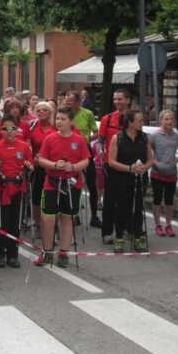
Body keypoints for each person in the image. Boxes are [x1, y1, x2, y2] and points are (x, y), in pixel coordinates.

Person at [36, 105, 90, 268]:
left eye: (63, 119)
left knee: (67, 218)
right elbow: (41, 159)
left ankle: (63, 253)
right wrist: (54, 165)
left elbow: (85, 160)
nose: (59, 121)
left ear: (71, 121)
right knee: (47, 219)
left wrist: (72, 167)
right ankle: (47, 252)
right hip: (52, 183)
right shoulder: (49, 138)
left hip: (72, 183)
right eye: (57, 118)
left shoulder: (78, 140)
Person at [0, 114, 34, 268]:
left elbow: (31, 166)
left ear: (17, 129)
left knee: (15, 222)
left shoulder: (24, 146)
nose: (9, 131)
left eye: (12, 128)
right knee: (1, 222)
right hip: (1, 189)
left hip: (18, 188)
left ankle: (13, 255)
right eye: (5, 129)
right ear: (0, 130)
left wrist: (29, 167)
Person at [108, 110, 153, 253]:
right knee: (121, 208)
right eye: (140, 120)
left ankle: (137, 237)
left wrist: (144, 167)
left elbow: (150, 160)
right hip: (122, 178)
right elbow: (111, 161)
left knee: (138, 208)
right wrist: (129, 168)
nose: (142, 123)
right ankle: (119, 238)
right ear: (130, 122)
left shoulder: (145, 138)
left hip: (139, 178)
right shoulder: (118, 137)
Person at [97, 89, 132, 241]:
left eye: (120, 99)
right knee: (110, 199)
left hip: (128, 164)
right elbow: (100, 142)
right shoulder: (107, 118)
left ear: (128, 100)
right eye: (115, 99)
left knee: (127, 199)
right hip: (110, 163)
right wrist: (100, 151)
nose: (117, 102)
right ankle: (107, 232)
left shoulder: (133, 118)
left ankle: (127, 228)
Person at [65, 90, 100, 228]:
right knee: (71, 182)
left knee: (91, 183)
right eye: (66, 102)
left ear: (78, 102)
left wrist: (89, 138)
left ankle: (94, 216)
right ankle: (74, 214)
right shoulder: (64, 114)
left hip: (85, 148)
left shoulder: (87, 113)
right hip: (69, 150)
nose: (67, 105)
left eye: (70, 102)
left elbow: (97, 132)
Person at [150, 110, 178, 238]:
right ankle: (158, 225)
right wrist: (156, 163)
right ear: (161, 121)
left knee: (169, 200)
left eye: (171, 119)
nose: (170, 121)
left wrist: (175, 161)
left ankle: (169, 225)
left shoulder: (177, 137)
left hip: (171, 172)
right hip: (157, 172)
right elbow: (147, 152)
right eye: (166, 119)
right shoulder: (155, 136)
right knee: (157, 198)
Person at [29, 101, 56, 240]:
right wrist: (31, 158)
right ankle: (38, 224)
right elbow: (28, 145)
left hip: (53, 164)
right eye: (38, 110)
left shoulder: (55, 126)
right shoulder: (32, 126)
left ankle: (53, 224)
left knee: (53, 195)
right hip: (37, 165)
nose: (41, 112)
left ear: (50, 112)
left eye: (44, 110)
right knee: (36, 195)